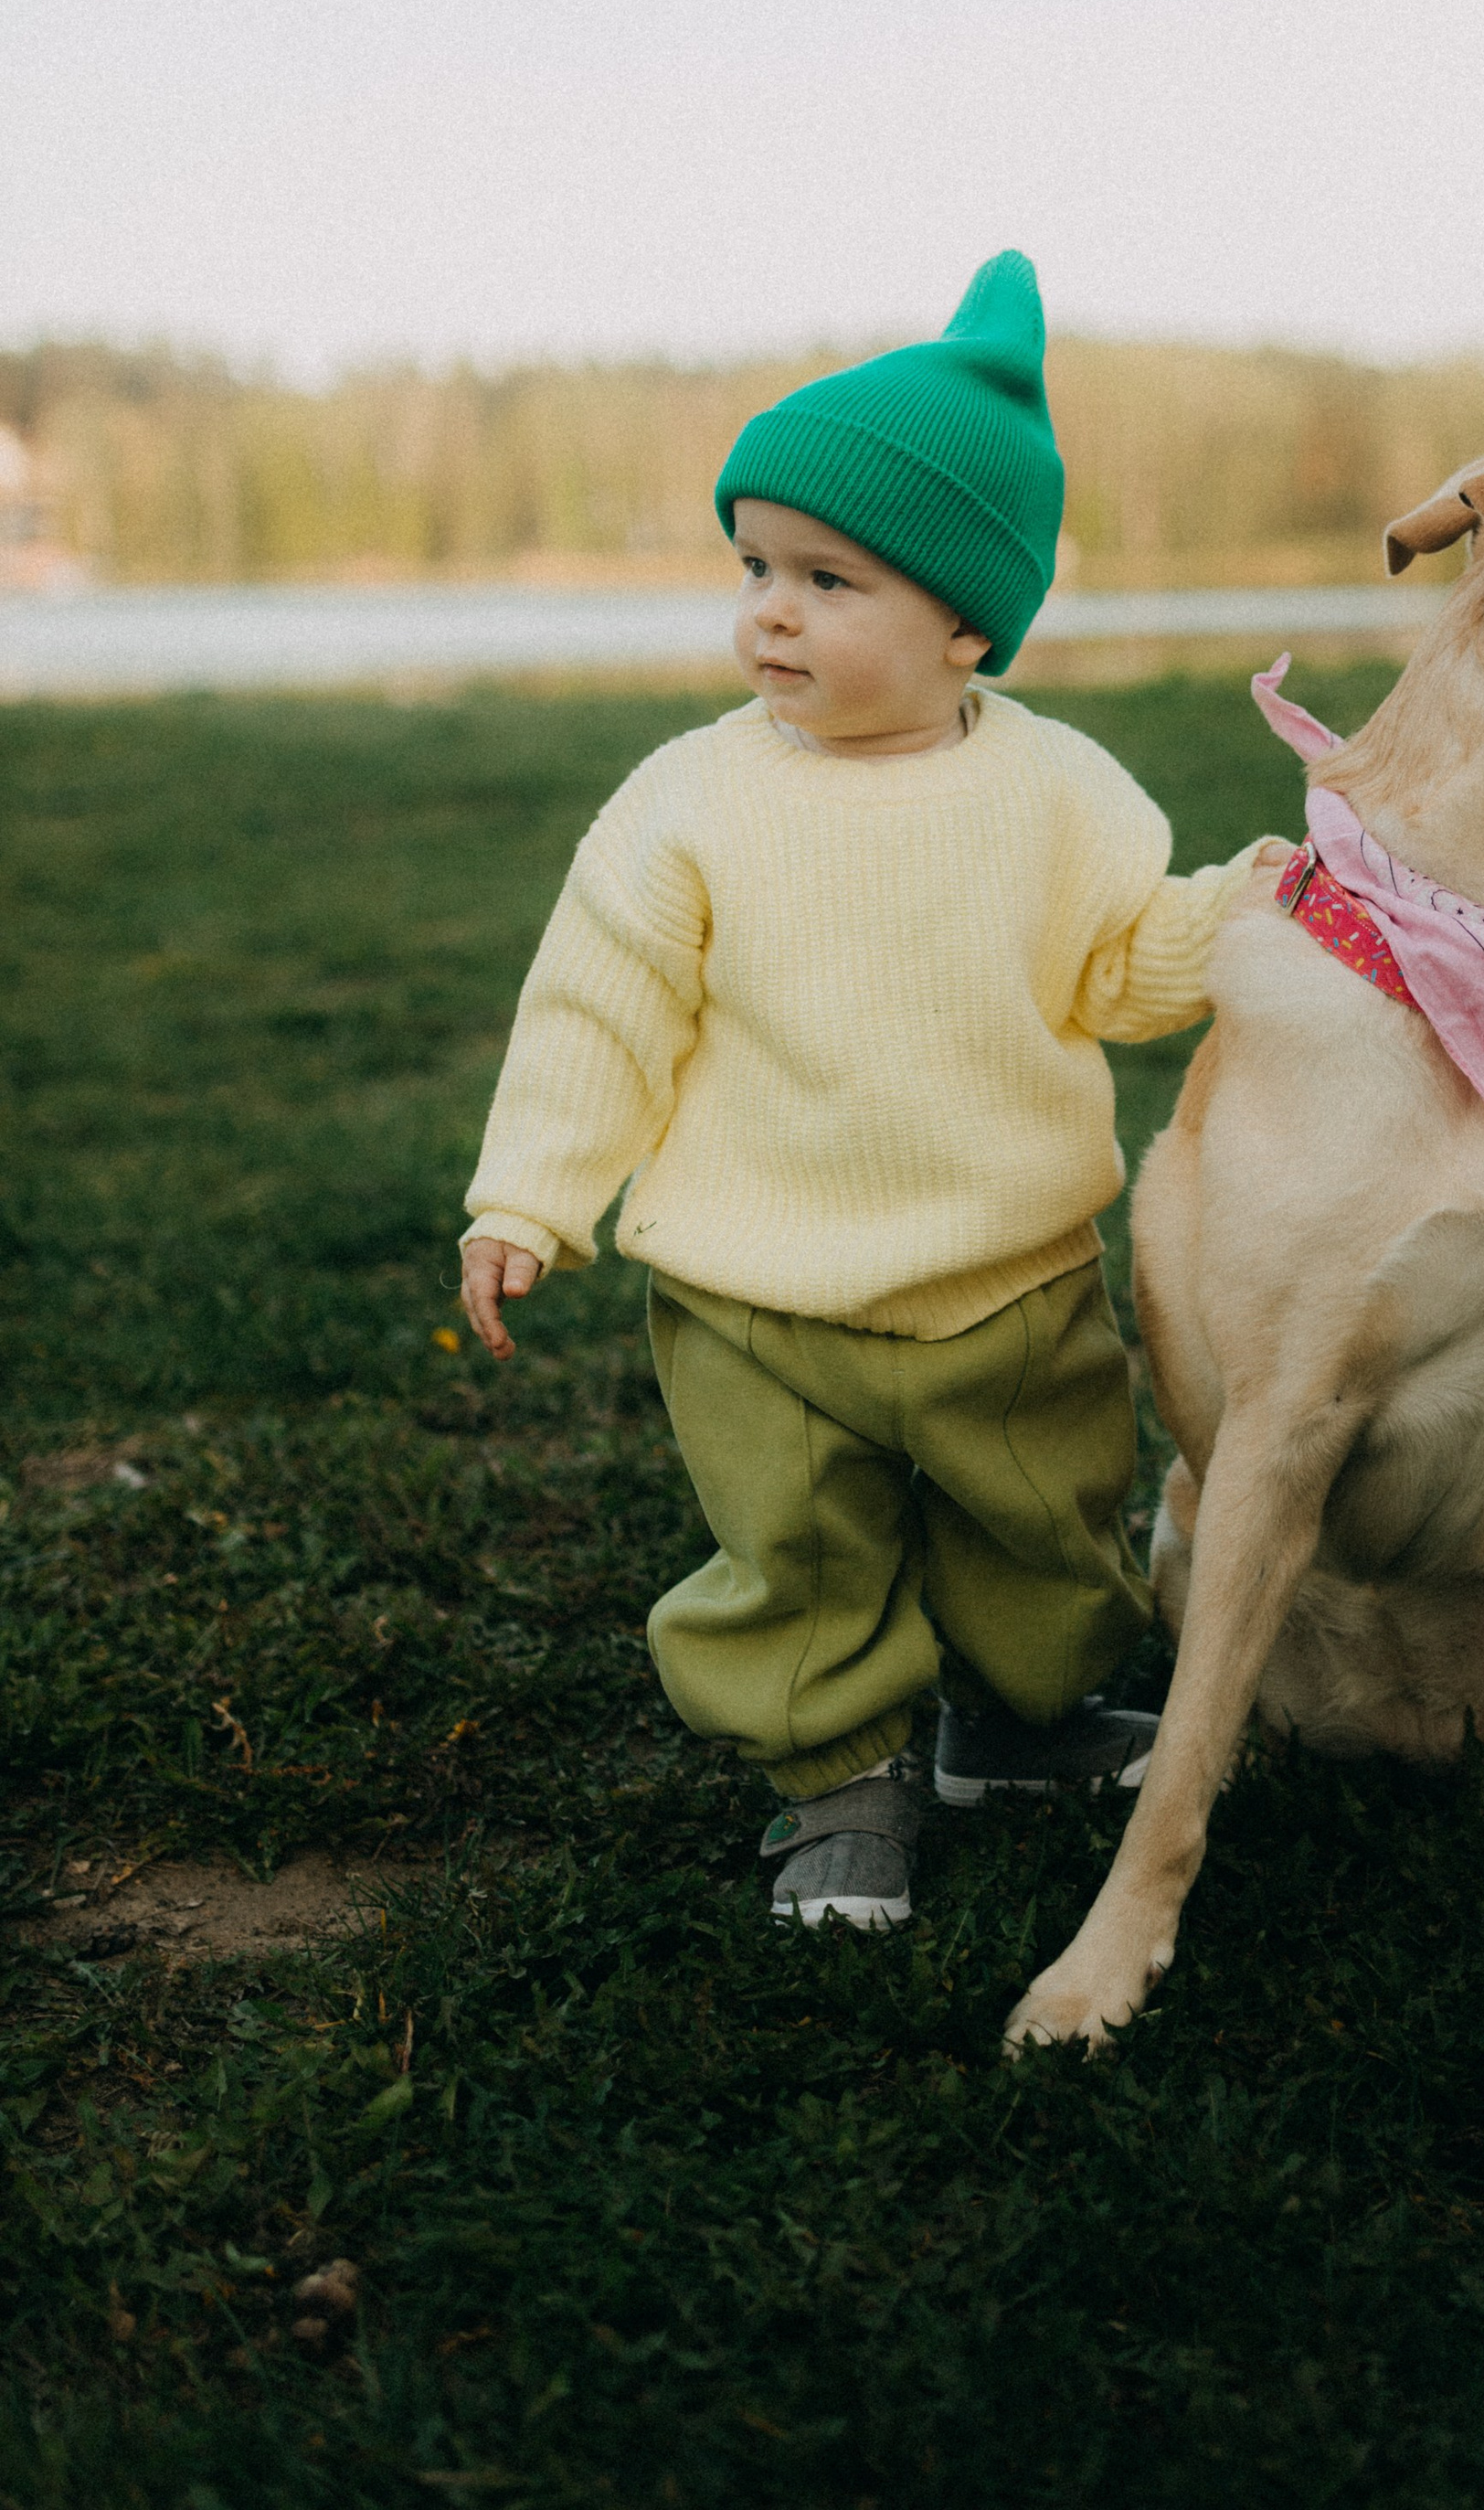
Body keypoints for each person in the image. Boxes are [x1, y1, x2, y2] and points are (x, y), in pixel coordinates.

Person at [457, 252, 1278, 1934]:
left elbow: (1115, 968)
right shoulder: (688, 803)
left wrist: (1238, 909)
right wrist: (528, 1195)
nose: (767, 610)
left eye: (829, 580)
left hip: (1010, 1270)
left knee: (1046, 1528)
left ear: (967, 618)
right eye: (755, 564)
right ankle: (841, 1777)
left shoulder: (1064, 792)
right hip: (762, 1290)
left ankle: (1015, 1721)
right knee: (803, 1550)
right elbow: (597, 1011)